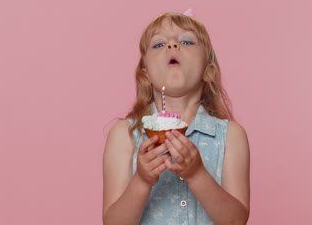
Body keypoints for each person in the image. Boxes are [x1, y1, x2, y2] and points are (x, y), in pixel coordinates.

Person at [102, 12, 250, 225]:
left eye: (187, 41)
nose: (172, 45)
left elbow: (236, 221)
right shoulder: (125, 136)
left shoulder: (230, 136)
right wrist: (142, 181)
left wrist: (197, 174)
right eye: (159, 44)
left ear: (208, 71)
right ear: (145, 74)